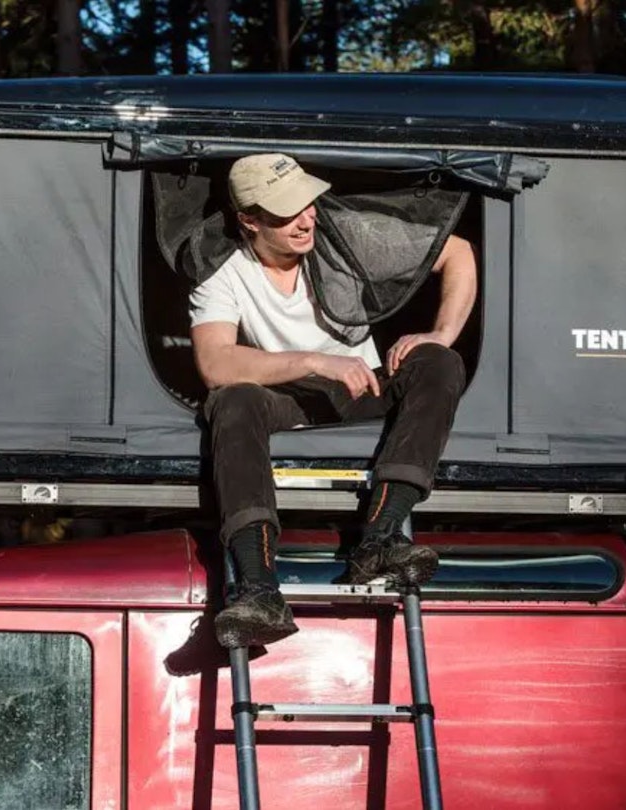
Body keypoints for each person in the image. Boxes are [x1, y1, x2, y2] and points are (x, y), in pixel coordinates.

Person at [189, 153, 478, 649]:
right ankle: (259, 589)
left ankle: (382, 537)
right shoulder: (224, 272)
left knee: (438, 363)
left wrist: (440, 333)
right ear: (249, 220)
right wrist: (317, 362)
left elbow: (459, 252)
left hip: (363, 391)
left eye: (307, 204)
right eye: (286, 212)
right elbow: (216, 363)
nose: (306, 219)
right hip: (292, 399)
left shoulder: (343, 236)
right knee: (231, 400)